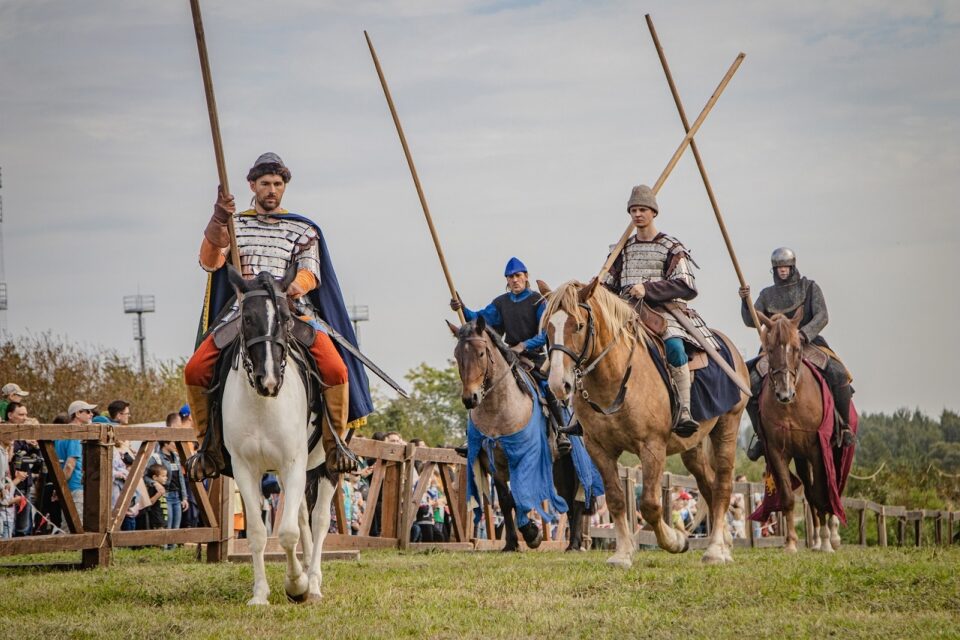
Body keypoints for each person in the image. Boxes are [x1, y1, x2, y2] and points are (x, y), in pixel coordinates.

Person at [183, 152, 372, 479]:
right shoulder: (233, 223)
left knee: (336, 368)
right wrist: (217, 222)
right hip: (243, 313)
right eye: (265, 184)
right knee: (196, 369)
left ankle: (334, 444)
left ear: (284, 187)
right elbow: (210, 262)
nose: (271, 190)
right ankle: (207, 448)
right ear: (252, 185)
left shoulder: (302, 228)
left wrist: (288, 290)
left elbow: (310, 274)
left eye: (277, 184)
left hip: (289, 311)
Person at [602, 185, 720, 435]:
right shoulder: (620, 248)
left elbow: (687, 285)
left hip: (664, 311)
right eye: (633, 210)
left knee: (675, 347)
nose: (637, 214)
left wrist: (648, 289)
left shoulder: (671, 247)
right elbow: (607, 286)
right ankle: (589, 413)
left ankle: (684, 409)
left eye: (642, 209)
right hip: (625, 311)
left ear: (653, 212)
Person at [739, 247, 854, 461]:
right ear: (774, 270)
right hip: (775, 349)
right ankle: (761, 434)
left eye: (786, 267)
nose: (782, 271)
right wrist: (745, 303)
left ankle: (844, 427)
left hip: (807, 342)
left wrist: (803, 334)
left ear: (792, 267)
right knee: (749, 382)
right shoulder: (766, 294)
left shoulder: (809, 288)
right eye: (779, 268)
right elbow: (751, 320)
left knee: (838, 373)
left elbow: (822, 316)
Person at [451, 257, 571, 451]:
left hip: (535, 357)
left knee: (547, 386)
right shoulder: (501, 303)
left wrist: (523, 346)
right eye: (510, 277)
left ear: (526, 277)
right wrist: (462, 308)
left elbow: (544, 333)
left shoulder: (537, 301)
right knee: (482, 386)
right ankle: (472, 437)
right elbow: (481, 319)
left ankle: (561, 432)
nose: (514, 280)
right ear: (507, 280)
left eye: (518, 276)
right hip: (507, 355)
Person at [55, 401, 96, 523]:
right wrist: (61, 486)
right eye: (88, 411)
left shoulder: (62, 433)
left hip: (66, 486)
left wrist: (59, 487)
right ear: (78, 413)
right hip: (75, 486)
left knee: (67, 524)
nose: (91, 414)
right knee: (76, 526)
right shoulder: (75, 434)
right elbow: (69, 465)